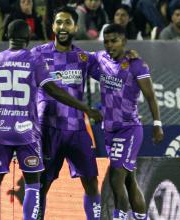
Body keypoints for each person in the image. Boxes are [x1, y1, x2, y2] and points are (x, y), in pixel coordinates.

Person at [0, 19, 102, 220]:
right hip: (30, 131)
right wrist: (86, 108)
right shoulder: (35, 59)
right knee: (34, 184)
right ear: (29, 37)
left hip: (1, 130)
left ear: (6, 36)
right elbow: (54, 91)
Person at [31, 6, 103, 220]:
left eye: (67, 22)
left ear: (75, 27)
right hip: (47, 129)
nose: (62, 27)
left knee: (91, 181)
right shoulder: (38, 53)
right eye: (59, 22)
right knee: (42, 184)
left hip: (76, 130)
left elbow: (109, 80)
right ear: (53, 26)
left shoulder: (83, 57)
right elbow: (16, 77)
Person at [94, 24, 164, 219]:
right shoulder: (100, 59)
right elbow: (80, 58)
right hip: (109, 129)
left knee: (116, 177)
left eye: (114, 41)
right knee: (129, 180)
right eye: (106, 41)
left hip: (129, 129)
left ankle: (119, 217)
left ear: (124, 41)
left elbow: (150, 96)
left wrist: (157, 124)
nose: (110, 45)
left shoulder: (136, 64)